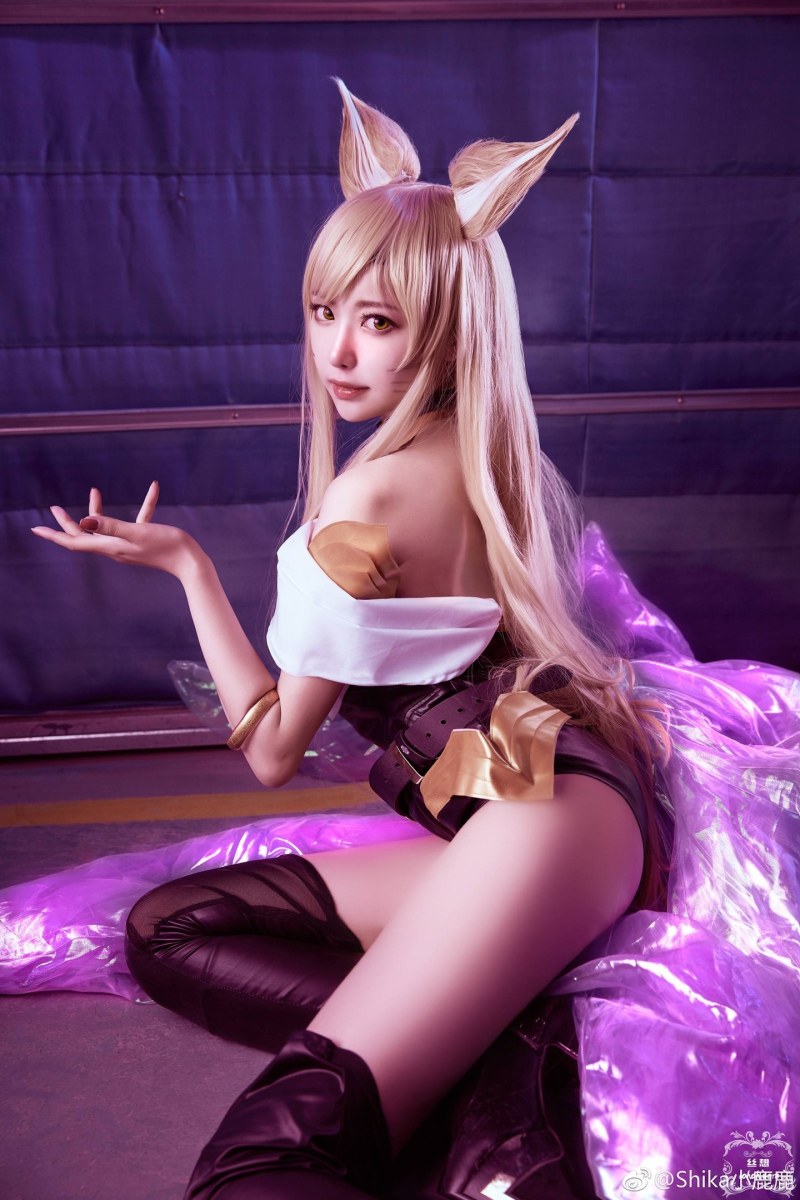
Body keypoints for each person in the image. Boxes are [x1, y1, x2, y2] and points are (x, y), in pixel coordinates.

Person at [22, 80, 798, 1198]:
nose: (339, 352)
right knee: (173, 924)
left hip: (538, 822)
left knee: (266, 1156)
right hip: (552, 807)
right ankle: (486, 1024)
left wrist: (189, 570)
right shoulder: (482, 457)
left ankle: (471, 1040)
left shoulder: (367, 499)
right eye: (323, 310)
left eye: (378, 322)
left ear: (444, 326)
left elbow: (272, 749)